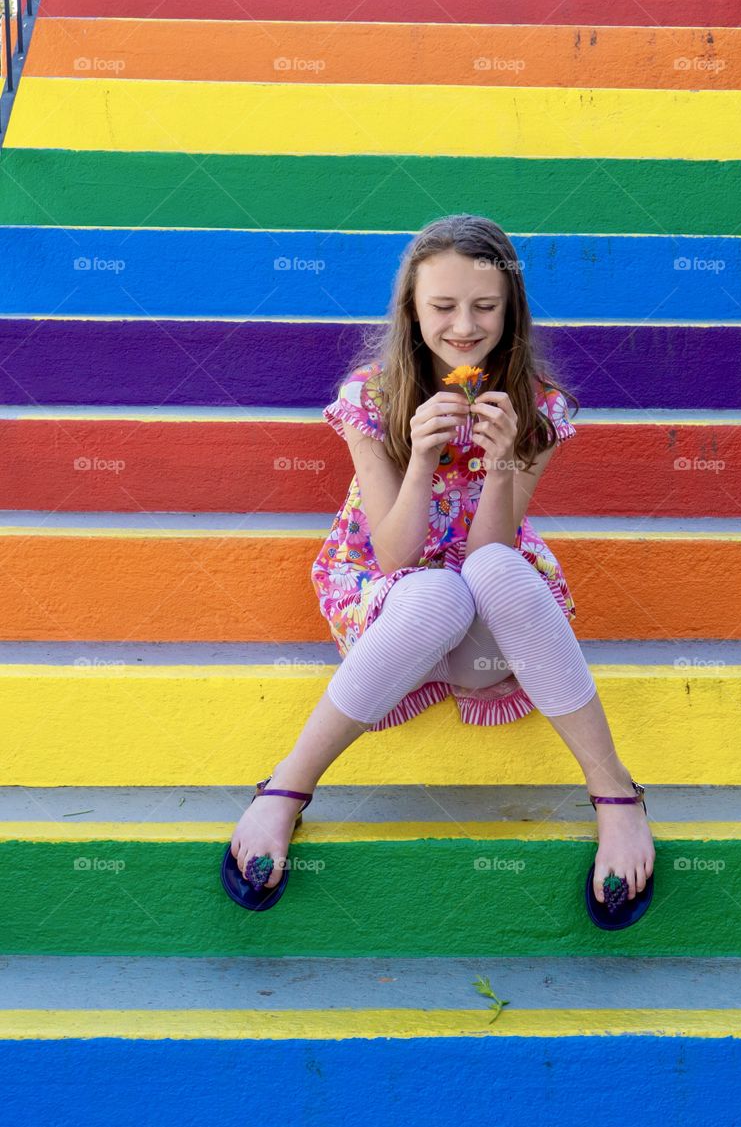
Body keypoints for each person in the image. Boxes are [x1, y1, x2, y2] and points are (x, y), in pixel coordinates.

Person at [228, 213, 654, 906]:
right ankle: (285, 788)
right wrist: (422, 456)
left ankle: (615, 794)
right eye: (443, 307)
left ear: (510, 312)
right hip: (399, 619)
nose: (464, 327)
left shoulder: (536, 408)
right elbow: (396, 556)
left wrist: (503, 463)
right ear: (411, 310)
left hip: (490, 628)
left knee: (488, 572)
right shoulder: (370, 396)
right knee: (433, 594)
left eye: (485, 307)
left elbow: (492, 549)